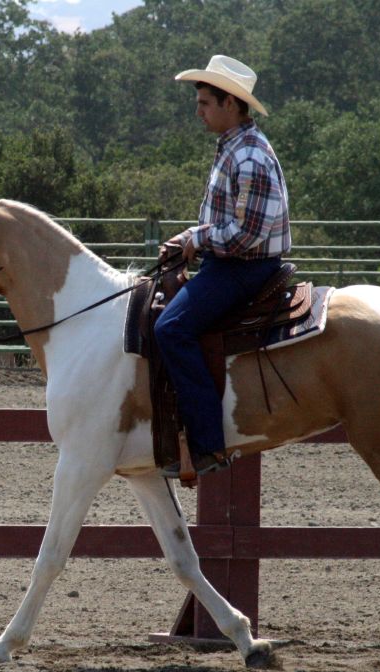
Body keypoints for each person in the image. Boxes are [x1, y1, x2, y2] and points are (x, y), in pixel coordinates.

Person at [155, 54, 291, 478]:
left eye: (204, 103)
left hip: (243, 268)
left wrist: (197, 238)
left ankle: (208, 443)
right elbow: (228, 222)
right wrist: (190, 236)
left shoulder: (249, 156)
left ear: (230, 103)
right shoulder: (235, 148)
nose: (198, 111)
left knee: (170, 328)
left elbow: (247, 235)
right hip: (231, 263)